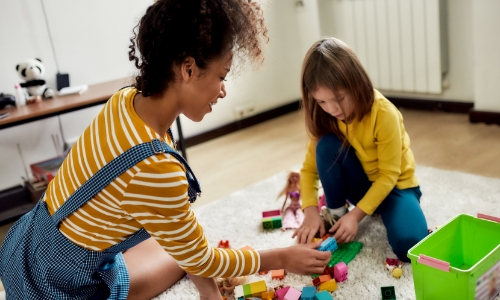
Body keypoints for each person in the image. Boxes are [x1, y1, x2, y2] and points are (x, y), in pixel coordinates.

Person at [0, 1, 331, 299]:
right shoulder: (156, 169)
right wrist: (281, 257)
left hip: (24, 250)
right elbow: (200, 258)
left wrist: (209, 293)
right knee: (182, 252)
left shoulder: (124, 102)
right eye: (221, 75)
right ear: (187, 69)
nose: (223, 90)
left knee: (177, 239)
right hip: (55, 289)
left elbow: (187, 243)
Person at [292, 37, 428, 262]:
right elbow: (308, 171)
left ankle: (370, 213)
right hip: (361, 184)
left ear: (356, 83)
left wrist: (356, 216)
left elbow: (388, 175)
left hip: (396, 187)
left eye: (339, 99)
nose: (333, 109)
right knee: (327, 145)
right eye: (322, 102)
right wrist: (310, 212)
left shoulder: (384, 113)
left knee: (410, 247)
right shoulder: (326, 118)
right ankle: (336, 213)